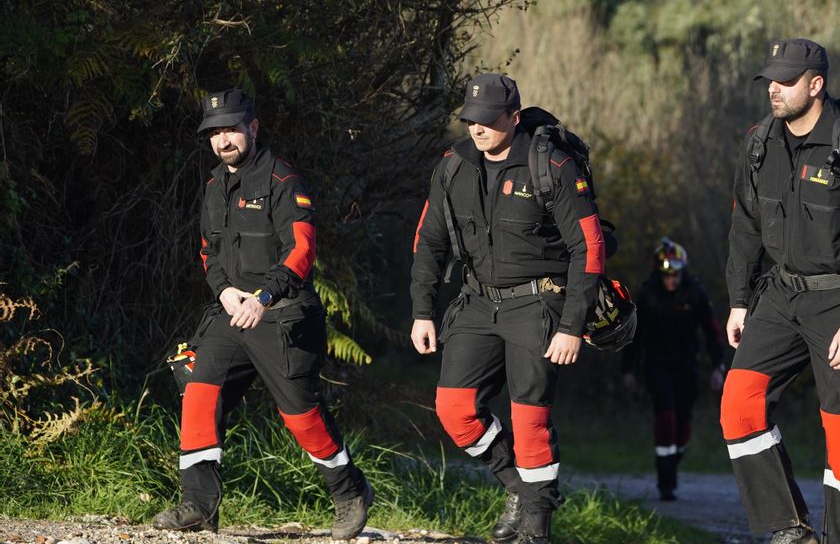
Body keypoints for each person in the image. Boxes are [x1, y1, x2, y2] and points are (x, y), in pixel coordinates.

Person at [153, 89, 372, 537]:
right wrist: (226, 292)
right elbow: (208, 251)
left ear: (252, 128)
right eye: (214, 133)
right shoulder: (216, 185)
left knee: (301, 416)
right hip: (232, 315)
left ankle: (350, 492)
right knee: (198, 389)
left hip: (283, 315)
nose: (222, 140)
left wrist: (263, 298)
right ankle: (198, 505)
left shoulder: (284, 181)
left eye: (231, 129)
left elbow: (302, 251)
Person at [721, 39, 840, 544]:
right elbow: (744, 228)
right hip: (780, 295)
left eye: (785, 81)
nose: (773, 89)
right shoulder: (759, 141)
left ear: (815, 84)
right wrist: (739, 301)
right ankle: (790, 531)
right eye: (770, 81)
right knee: (739, 405)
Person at [409, 73, 606, 544]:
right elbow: (429, 241)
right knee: (455, 409)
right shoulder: (452, 166)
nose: (477, 129)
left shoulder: (551, 166)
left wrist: (572, 326)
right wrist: (422, 310)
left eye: (488, 120)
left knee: (529, 417)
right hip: (476, 302)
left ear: (513, 118)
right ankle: (519, 486)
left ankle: (537, 529)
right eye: (470, 120)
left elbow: (589, 247)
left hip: (539, 302)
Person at [621, 237, 725, 501]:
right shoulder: (647, 294)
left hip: (687, 365)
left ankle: (675, 458)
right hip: (657, 364)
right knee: (665, 416)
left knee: (684, 420)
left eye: (676, 275)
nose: (672, 280)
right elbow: (634, 335)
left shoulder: (695, 293)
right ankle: (665, 480)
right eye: (667, 275)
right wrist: (628, 370)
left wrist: (718, 367)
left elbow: (712, 332)